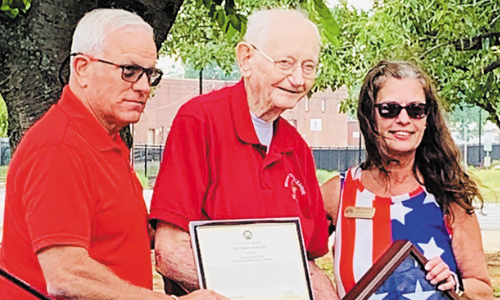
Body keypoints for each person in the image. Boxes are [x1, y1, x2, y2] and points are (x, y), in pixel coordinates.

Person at [0, 8, 226, 300]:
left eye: (150, 74)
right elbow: (67, 275)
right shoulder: (60, 148)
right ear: (82, 68)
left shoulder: (105, 139)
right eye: (129, 71)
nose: (144, 87)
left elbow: (116, 237)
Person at [149, 8, 338, 300]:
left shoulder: (297, 148)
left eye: (309, 66)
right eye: (285, 63)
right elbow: (170, 251)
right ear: (246, 59)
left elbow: (308, 266)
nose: (298, 79)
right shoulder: (200, 122)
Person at [321, 60, 494, 299]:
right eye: (389, 109)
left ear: (426, 119)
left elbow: (482, 288)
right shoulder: (338, 193)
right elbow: (295, 261)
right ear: (370, 115)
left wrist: (455, 286)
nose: (404, 119)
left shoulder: (448, 193)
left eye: (416, 109)